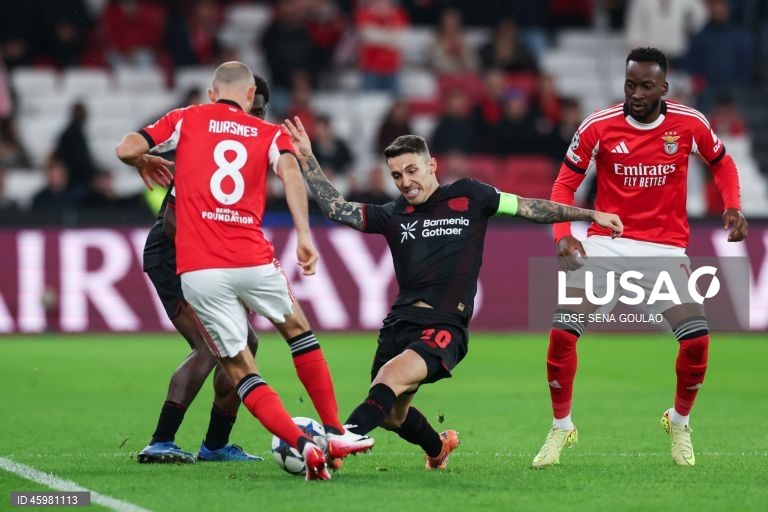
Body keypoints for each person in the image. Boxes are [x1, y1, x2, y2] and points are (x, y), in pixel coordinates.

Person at [281, 121, 623, 470]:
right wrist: (307, 157)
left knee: (387, 380)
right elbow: (336, 208)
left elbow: (528, 207)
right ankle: (438, 448)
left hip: (445, 325)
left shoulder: (470, 196)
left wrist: (589, 213)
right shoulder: (393, 214)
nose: (405, 181)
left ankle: (340, 439)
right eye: (396, 175)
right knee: (392, 416)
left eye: (412, 170)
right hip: (399, 324)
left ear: (432, 166)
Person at [116, 62, 373, 480]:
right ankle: (163, 439)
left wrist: (144, 159)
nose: (256, 120)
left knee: (245, 346)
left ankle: (216, 444)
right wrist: (300, 233)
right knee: (214, 347)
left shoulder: (194, 124)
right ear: (251, 97)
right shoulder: (253, 135)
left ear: (216, 92)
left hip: (208, 261)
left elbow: (126, 148)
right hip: (180, 252)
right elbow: (172, 222)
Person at [531, 47, 748, 469]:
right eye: (630, 84)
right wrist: (563, 235)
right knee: (561, 335)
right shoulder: (599, 126)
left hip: (664, 251)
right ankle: (561, 428)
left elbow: (722, 165)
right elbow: (563, 186)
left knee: (697, 341)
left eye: (646, 86)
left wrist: (733, 205)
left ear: (664, 88)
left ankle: (679, 421)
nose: (636, 93)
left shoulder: (689, 123)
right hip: (606, 245)